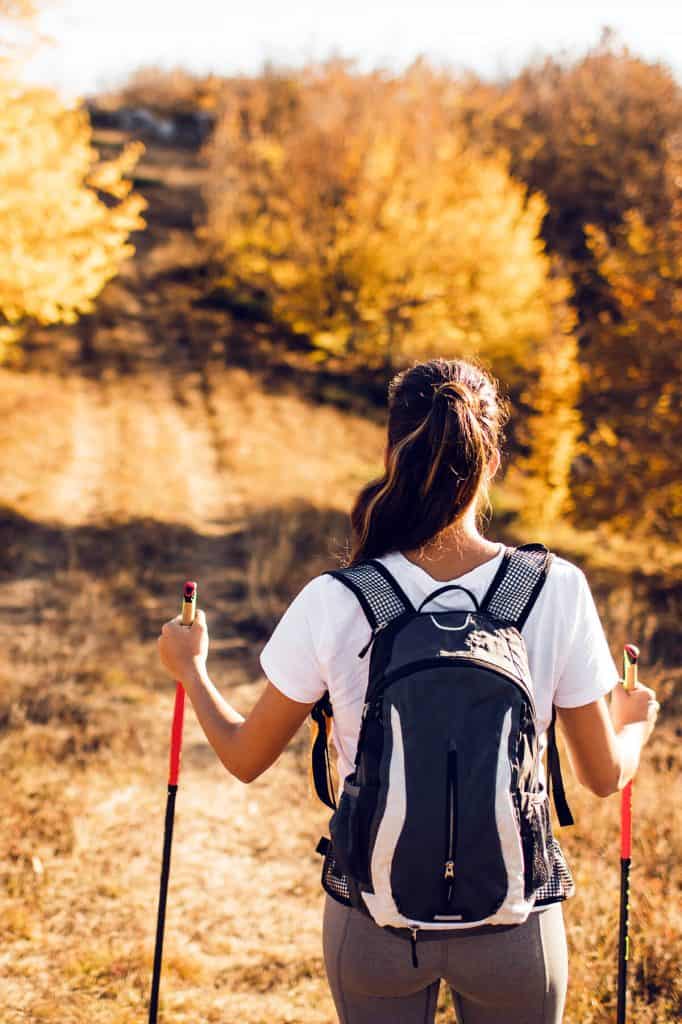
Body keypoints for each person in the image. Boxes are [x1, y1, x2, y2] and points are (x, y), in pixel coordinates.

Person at [158, 357, 660, 1024]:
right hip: (516, 921)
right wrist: (636, 724)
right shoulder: (552, 588)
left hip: (372, 918)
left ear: (391, 451)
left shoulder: (338, 598)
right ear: (491, 458)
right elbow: (603, 776)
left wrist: (190, 670)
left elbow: (245, 758)